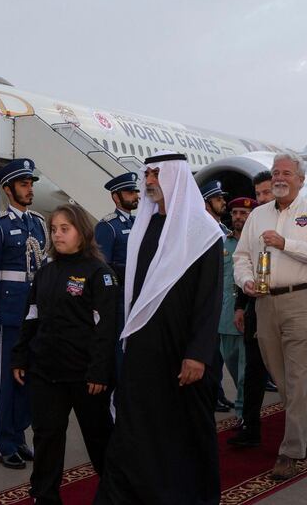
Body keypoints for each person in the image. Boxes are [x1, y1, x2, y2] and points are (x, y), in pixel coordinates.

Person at [95, 151, 224, 505]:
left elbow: (209, 299)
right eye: (147, 173)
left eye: (155, 173)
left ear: (174, 177)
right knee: (137, 426)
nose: (149, 180)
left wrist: (197, 354)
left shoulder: (203, 231)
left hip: (182, 350)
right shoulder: (144, 227)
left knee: (184, 430)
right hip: (142, 348)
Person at [233, 151, 307, 480]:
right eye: (275, 172)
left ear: (301, 180)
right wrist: (246, 280)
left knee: (300, 377)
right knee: (280, 376)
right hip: (264, 303)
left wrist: (286, 242)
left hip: (303, 299)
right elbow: (241, 257)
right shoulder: (257, 215)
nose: (279, 178)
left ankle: (291, 451)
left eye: (287, 173)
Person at [11, 204, 116, 505]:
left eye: (64, 229)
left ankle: (114, 493)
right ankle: (44, 496)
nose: (57, 235)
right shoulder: (46, 271)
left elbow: (105, 329)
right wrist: (20, 356)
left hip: (85, 376)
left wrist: (99, 371)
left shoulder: (100, 273)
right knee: (46, 437)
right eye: (54, 229)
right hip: (46, 372)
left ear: (82, 233)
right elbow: (31, 316)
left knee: (99, 438)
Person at [0, 158, 47, 469]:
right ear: (8, 189)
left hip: (33, 317)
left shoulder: (37, 223)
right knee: (7, 384)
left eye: (31, 183)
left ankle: (19, 436)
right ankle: (4, 442)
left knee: (29, 381)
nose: (29, 189)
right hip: (9, 319)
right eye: (24, 184)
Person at [228, 171, 277, 448]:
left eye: (267, 193)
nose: (262, 199)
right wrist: (240, 307)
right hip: (255, 305)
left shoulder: (292, 221)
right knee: (253, 371)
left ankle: (303, 429)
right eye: (258, 194)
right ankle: (250, 426)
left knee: (287, 373)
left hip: (285, 304)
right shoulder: (253, 225)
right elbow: (242, 262)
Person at [218, 197, 258, 419]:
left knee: (246, 371)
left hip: (250, 313)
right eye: (234, 213)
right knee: (232, 367)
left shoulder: (257, 243)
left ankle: (244, 415)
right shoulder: (223, 244)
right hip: (225, 317)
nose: (238, 217)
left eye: (243, 213)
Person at [200, 179, 235, 413]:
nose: (224, 202)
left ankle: (217, 393)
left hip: (223, 299)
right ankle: (211, 396)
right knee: (210, 354)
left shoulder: (222, 228)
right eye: (218, 198)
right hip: (209, 299)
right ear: (206, 203)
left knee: (218, 356)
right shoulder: (203, 228)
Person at [94, 172, 139, 286]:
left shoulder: (137, 221)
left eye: (135, 192)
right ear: (116, 197)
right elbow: (102, 265)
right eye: (130, 192)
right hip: (120, 291)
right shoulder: (108, 226)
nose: (136, 196)